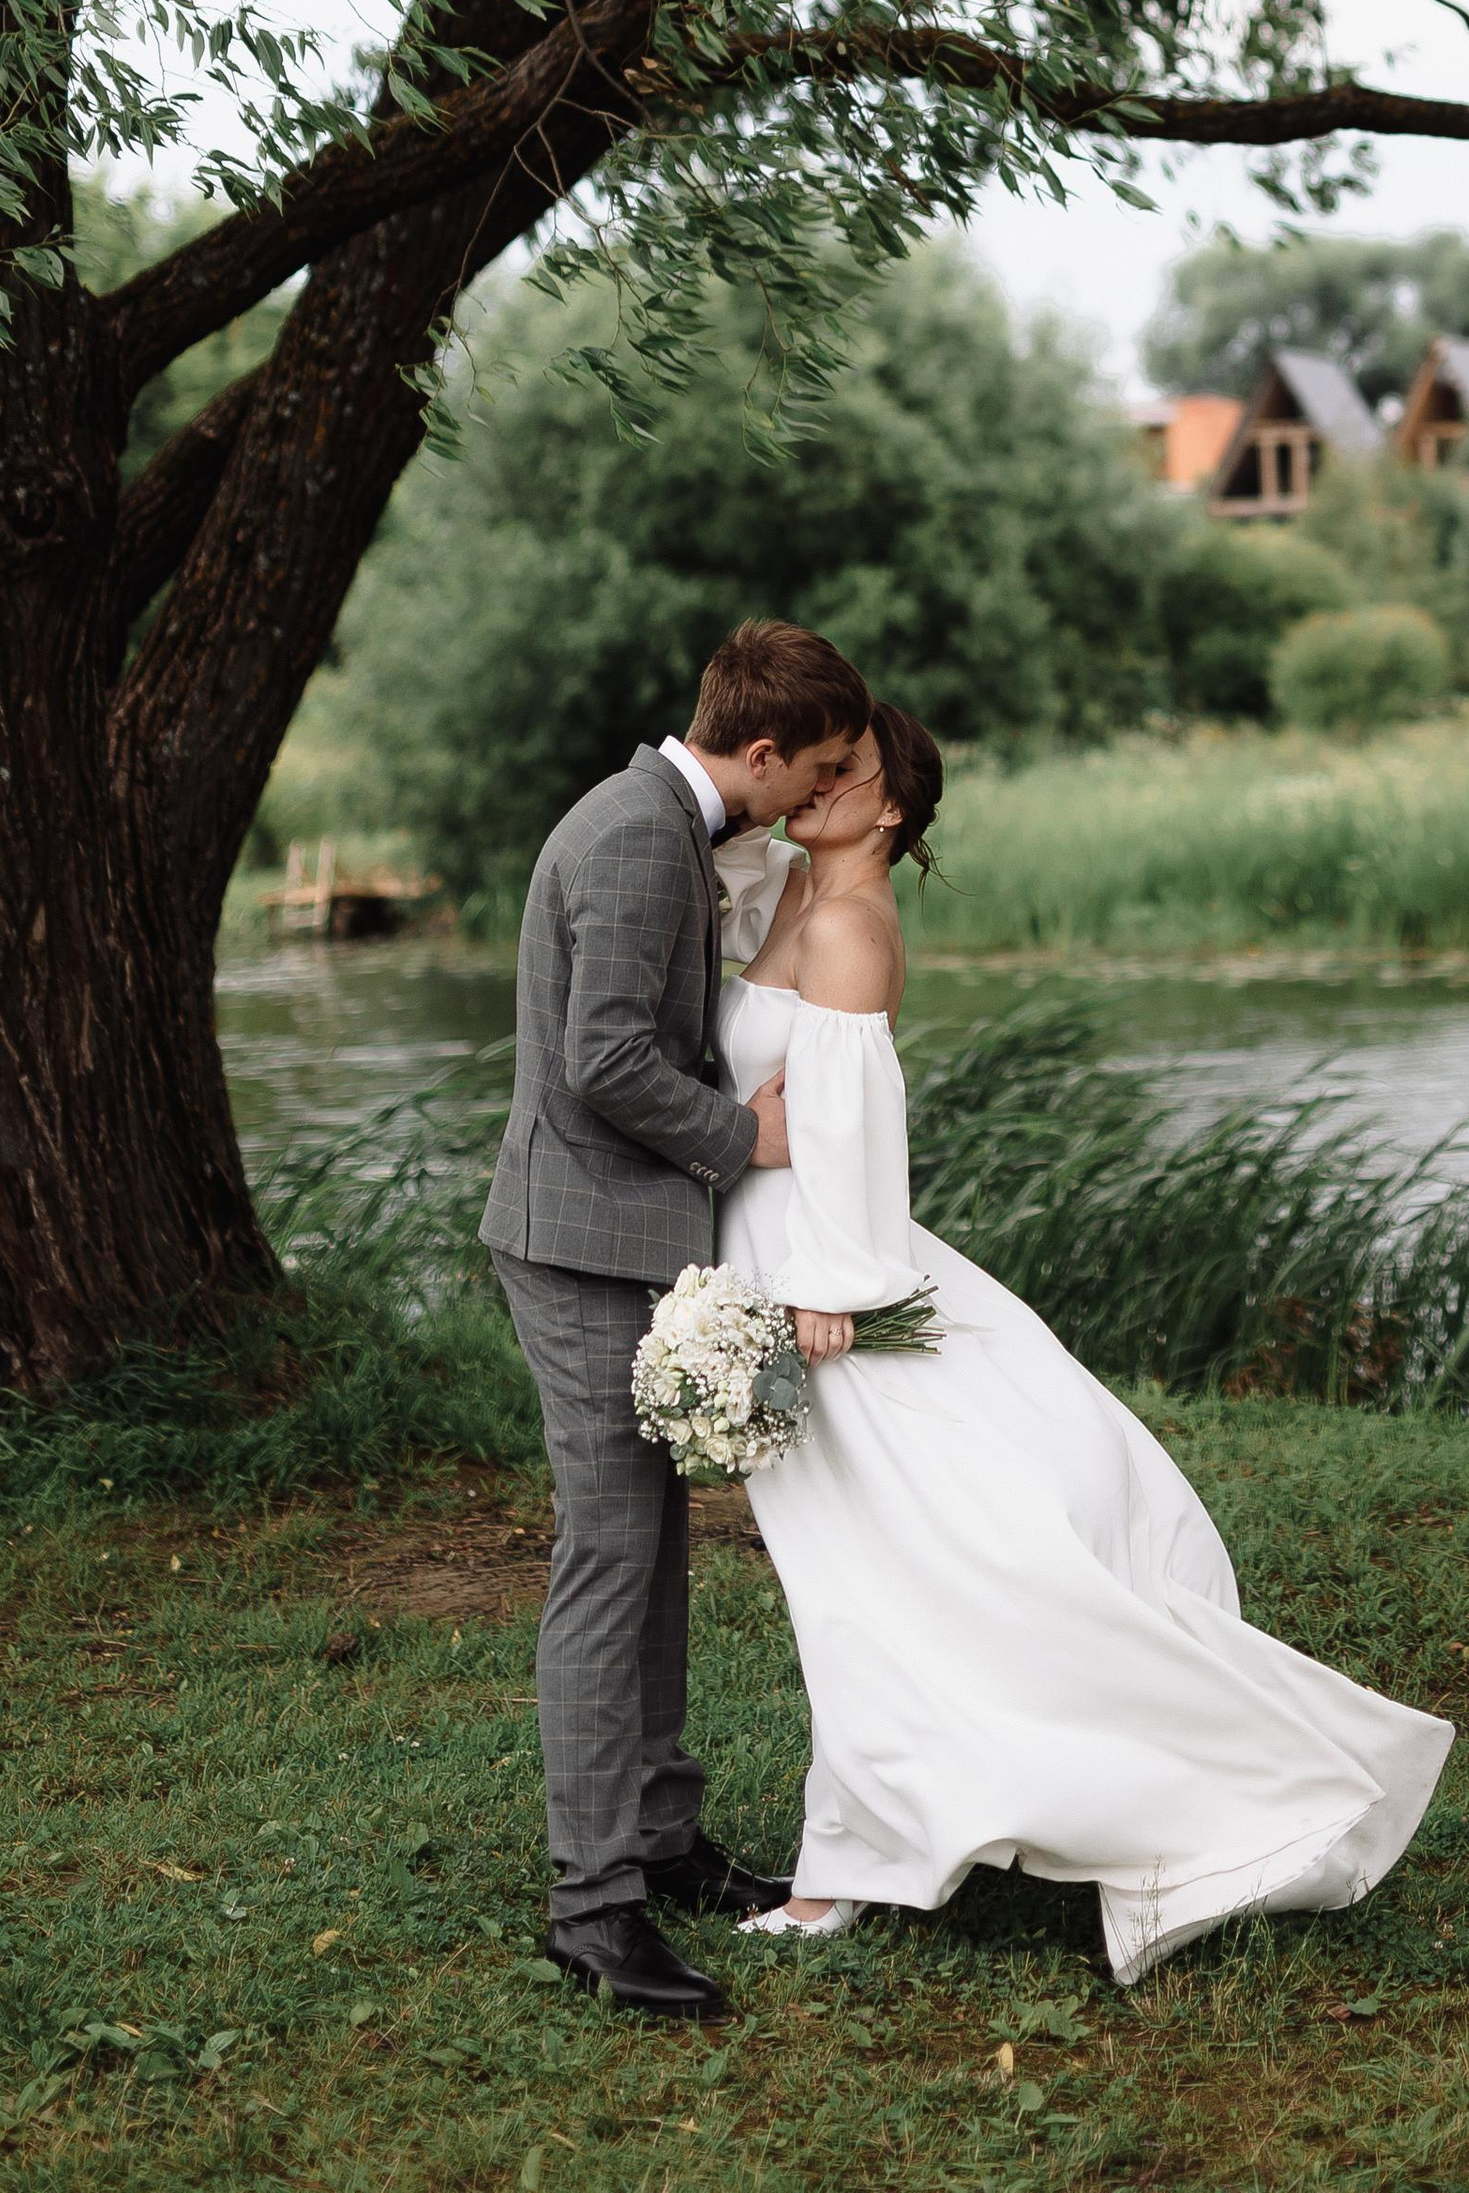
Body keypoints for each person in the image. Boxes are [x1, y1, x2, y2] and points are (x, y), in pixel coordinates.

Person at [715, 701, 1454, 1985]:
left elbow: (856, 1130)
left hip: (817, 1279)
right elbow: (721, 866)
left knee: (883, 1569)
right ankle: (861, 1851)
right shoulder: (785, 884)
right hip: (768, 1248)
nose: (821, 780)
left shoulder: (843, 925)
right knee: (862, 1572)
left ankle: (855, 1871)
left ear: (890, 807)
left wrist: (830, 1289)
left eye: (851, 769)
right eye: (817, 761)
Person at [480, 618, 871, 2020]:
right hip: (584, 1247)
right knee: (609, 1562)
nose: (817, 797)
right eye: (812, 773)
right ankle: (595, 1910)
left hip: (613, 1237)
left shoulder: (653, 819)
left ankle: (660, 1835)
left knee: (649, 1555)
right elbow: (601, 1060)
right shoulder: (642, 836)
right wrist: (741, 1140)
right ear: (757, 753)